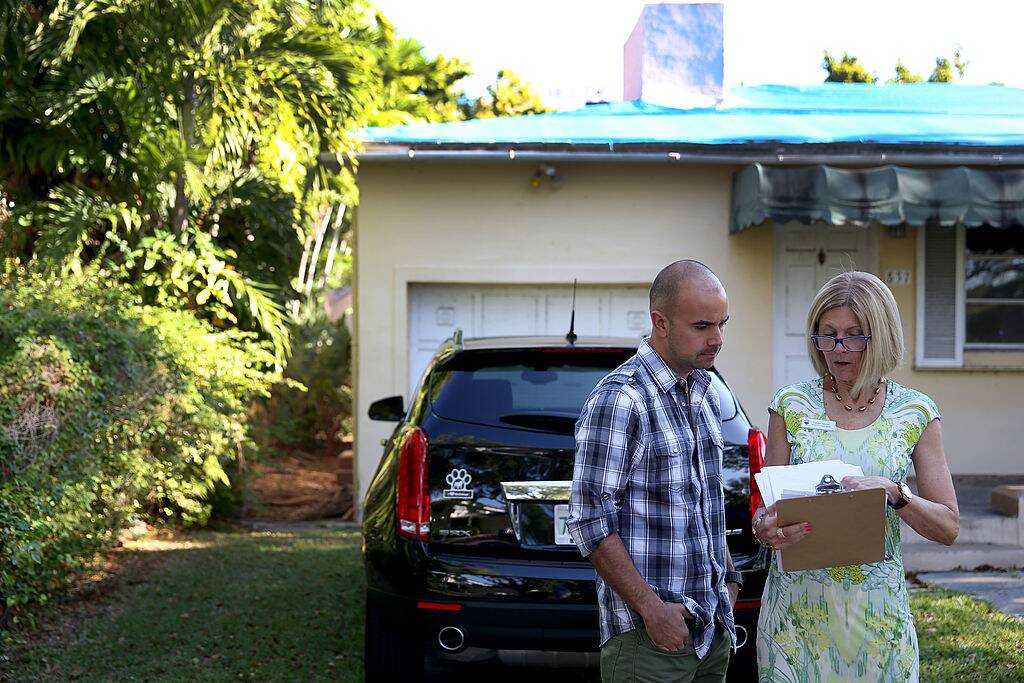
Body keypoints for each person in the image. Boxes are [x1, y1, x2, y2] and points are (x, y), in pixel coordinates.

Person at [753, 271, 960, 682]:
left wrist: (895, 492)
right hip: (795, 620)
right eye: (826, 335)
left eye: (853, 335)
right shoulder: (790, 405)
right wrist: (767, 531)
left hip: (878, 621)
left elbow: (948, 526)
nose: (838, 349)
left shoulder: (915, 412)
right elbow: (763, 516)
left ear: (880, 336)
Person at [567, 260, 740, 683]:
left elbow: (702, 505)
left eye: (722, 324)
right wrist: (652, 610)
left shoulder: (704, 392)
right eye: (702, 326)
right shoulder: (621, 398)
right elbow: (589, 520)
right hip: (649, 638)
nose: (717, 339)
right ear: (659, 322)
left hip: (711, 631)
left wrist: (729, 581)